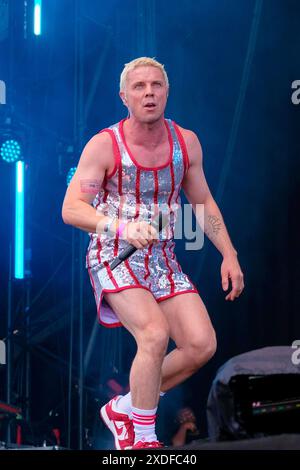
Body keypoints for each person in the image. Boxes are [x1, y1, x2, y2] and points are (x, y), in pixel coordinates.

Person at [62, 57, 244, 450]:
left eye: (156, 85)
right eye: (140, 86)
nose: (149, 93)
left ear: (167, 91)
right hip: (114, 255)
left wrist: (228, 253)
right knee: (154, 333)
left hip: (162, 261)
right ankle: (143, 439)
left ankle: (126, 406)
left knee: (201, 344)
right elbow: (71, 209)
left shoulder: (185, 142)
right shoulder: (105, 144)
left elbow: (204, 202)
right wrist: (123, 227)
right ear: (124, 96)